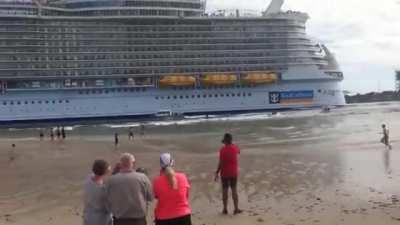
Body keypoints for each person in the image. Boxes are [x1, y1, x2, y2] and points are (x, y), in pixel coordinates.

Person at [104, 153, 153, 225]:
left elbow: (107, 200)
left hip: (119, 220)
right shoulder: (143, 177)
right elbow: (150, 197)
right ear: (133, 163)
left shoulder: (111, 180)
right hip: (138, 220)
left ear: (120, 164)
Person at [153, 153, 192, 225]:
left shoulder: (156, 181)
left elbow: (157, 197)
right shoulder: (182, 177)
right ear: (172, 162)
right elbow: (186, 196)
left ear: (161, 165)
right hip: (183, 216)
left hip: (163, 218)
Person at [214, 133, 242, 215]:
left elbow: (220, 163)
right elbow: (239, 151)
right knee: (234, 190)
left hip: (224, 173)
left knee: (225, 191)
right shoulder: (235, 148)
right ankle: (236, 209)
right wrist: (233, 144)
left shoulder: (222, 150)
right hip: (233, 173)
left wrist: (217, 172)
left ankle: (225, 209)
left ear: (225, 142)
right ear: (231, 141)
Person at [83, 159, 112, 225]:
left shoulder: (88, 179)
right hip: (101, 219)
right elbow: (109, 207)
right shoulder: (103, 190)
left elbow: (97, 176)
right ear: (105, 172)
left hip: (88, 215)